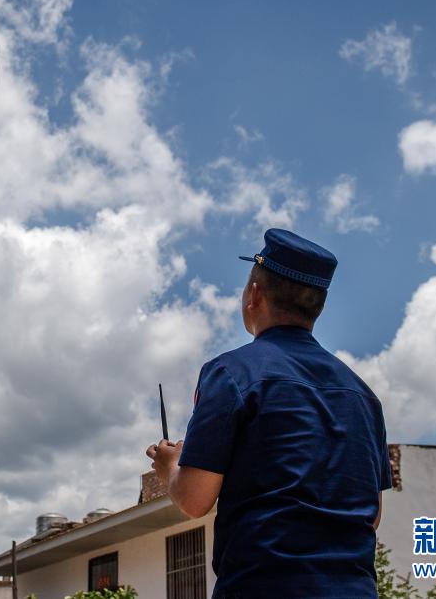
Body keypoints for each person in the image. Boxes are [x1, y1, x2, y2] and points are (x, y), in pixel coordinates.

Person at [146, 228, 391, 598]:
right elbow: (370, 516)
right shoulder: (364, 397)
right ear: (317, 308)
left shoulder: (232, 374)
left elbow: (195, 500)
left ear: (254, 295)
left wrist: (171, 467)